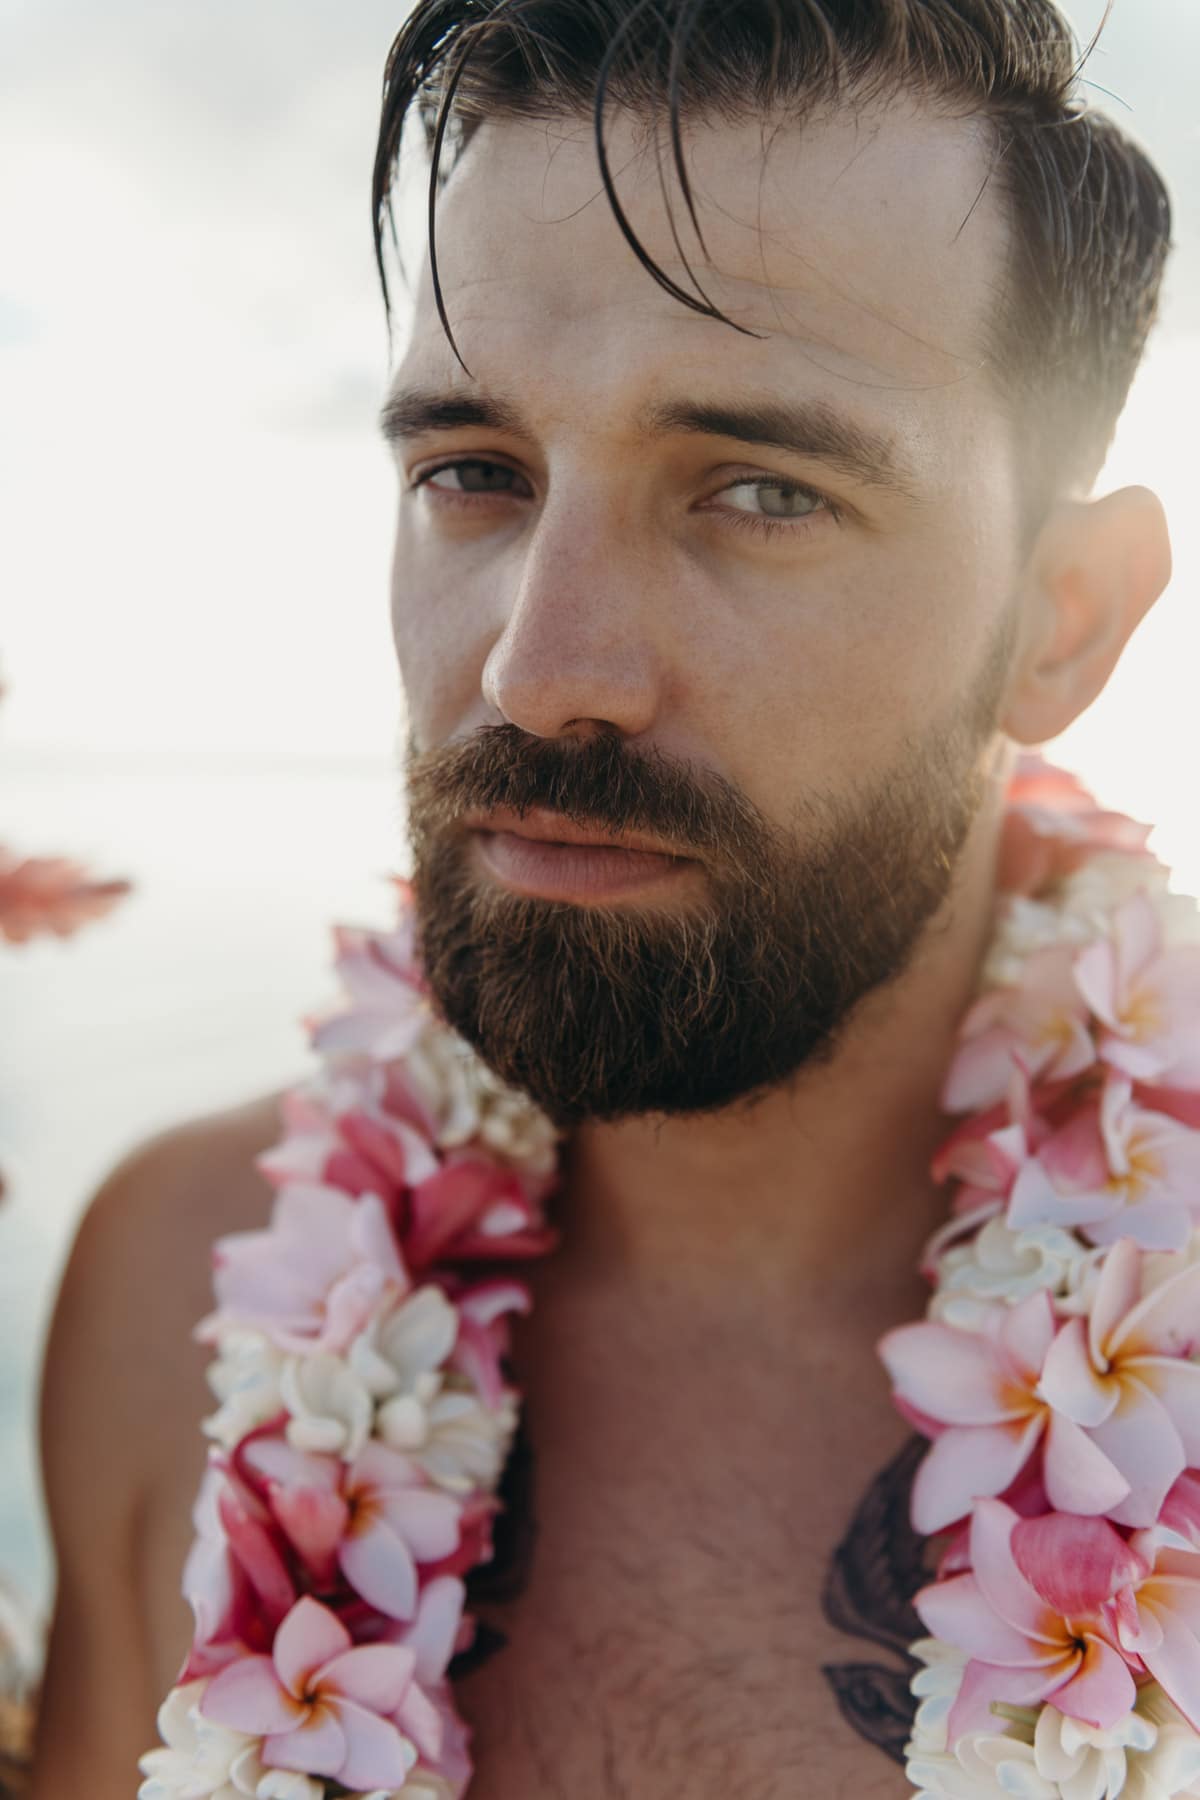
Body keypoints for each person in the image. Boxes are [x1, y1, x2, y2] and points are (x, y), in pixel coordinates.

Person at [28, 2, 1176, 1795]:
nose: (542, 670)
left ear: (1066, 619)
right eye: (472, 473)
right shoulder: (171, 1285)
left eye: (760, 492)